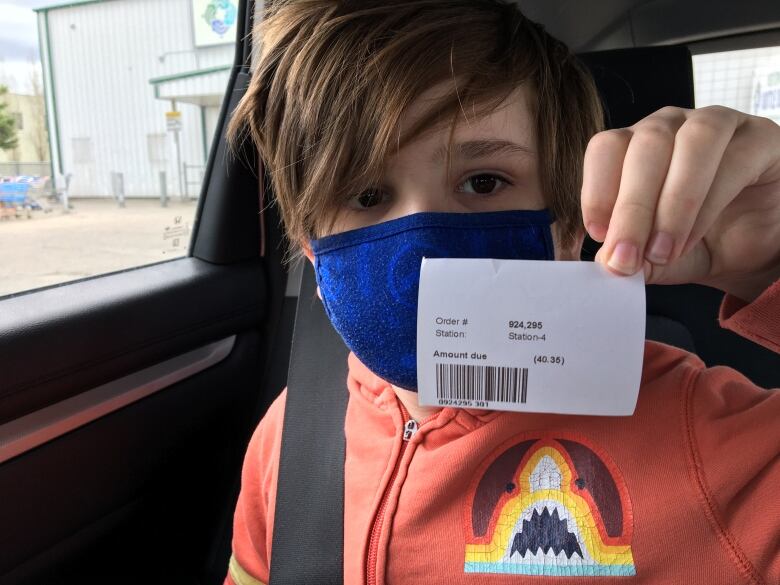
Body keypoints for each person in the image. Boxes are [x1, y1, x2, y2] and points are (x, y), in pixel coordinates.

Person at [224, 1, 780, 583]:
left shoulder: (697, 433)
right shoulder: (291, 434)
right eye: (364, 196)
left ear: (570, 229)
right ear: (315, 251)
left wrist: (771, 266)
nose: (420, 249)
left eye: (484, 182)